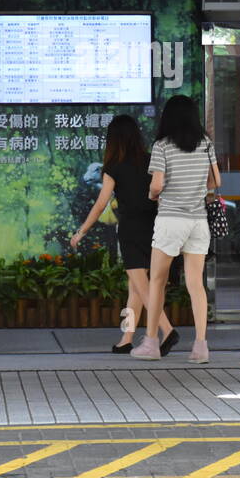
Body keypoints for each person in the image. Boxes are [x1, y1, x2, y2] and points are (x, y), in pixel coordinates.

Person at [71, 115, 178, 355]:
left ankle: (168, 330)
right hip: (154, 227)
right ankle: (126, 338)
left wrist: (82, 231)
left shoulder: (114, 167)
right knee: (136, 288)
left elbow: (101, 205)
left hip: (130, 229)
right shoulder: (151, 160)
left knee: (143, 287)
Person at [132, 95, 220, 363]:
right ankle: (201, 347)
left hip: (170, 219)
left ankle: (151, 343)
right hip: (197, 221)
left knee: (158, 280)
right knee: (196, 284)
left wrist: (151, 193)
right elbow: (216, 181)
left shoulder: (162, 146)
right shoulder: (206, 144)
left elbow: (157, 185)